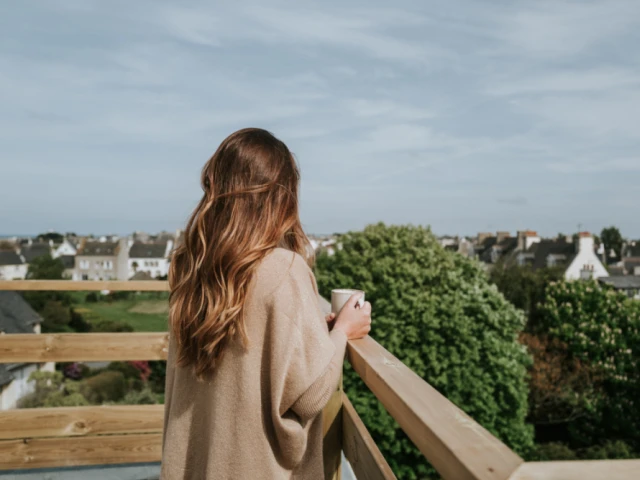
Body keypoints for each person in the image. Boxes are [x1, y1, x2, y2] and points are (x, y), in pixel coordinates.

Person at [160, 128, 372, 479]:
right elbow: (310, 394)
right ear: (282, 197)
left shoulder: (192, 268)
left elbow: (250, 343)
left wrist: (313, 332)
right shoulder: (284, 268)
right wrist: (342, 333)